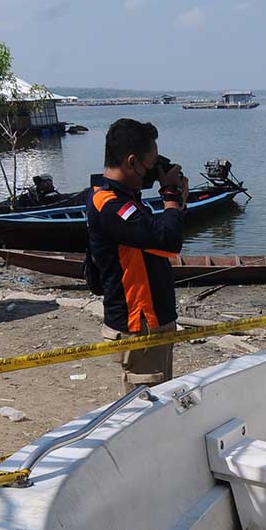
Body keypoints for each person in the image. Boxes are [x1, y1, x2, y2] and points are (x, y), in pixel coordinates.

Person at [86, 118, 188, 394]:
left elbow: (160, 237)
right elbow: (169, 242)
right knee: (144, 407)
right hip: (139, 324)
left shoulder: (125, 198)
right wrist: (169, 194)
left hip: (149, 323)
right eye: (152, 163)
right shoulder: (110, 204)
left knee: (157, 401)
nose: (154, 172)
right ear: (132, 162)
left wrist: (178, 202)